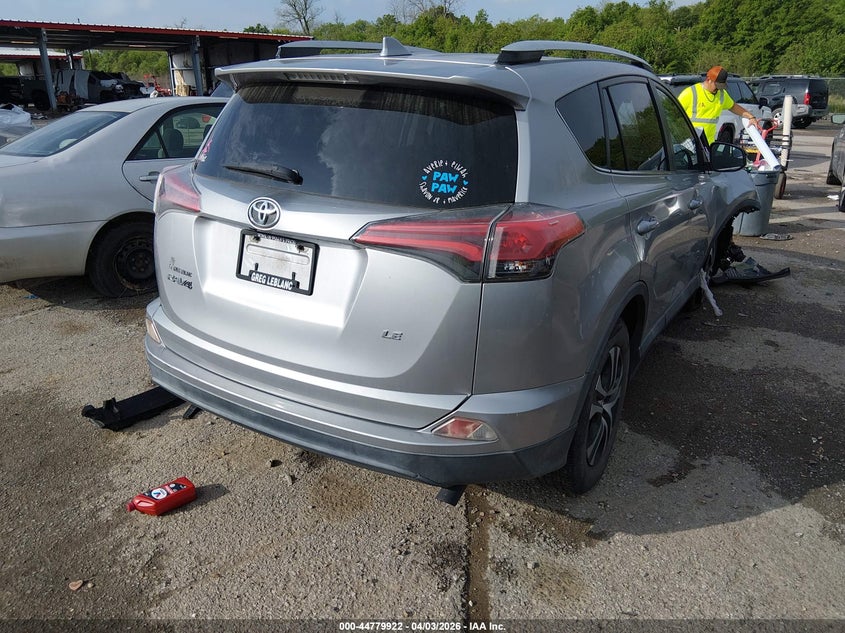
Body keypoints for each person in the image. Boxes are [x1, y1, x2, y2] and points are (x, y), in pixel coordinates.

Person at [677, 65, 759, 145]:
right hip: (688, 144)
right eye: (716, 86)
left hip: (707, 145)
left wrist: (750, 116)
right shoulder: (690, 93)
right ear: (709, 80)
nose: (718, 89)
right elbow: (673, 115)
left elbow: (733, 106)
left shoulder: (721, 94)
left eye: (721, 86)